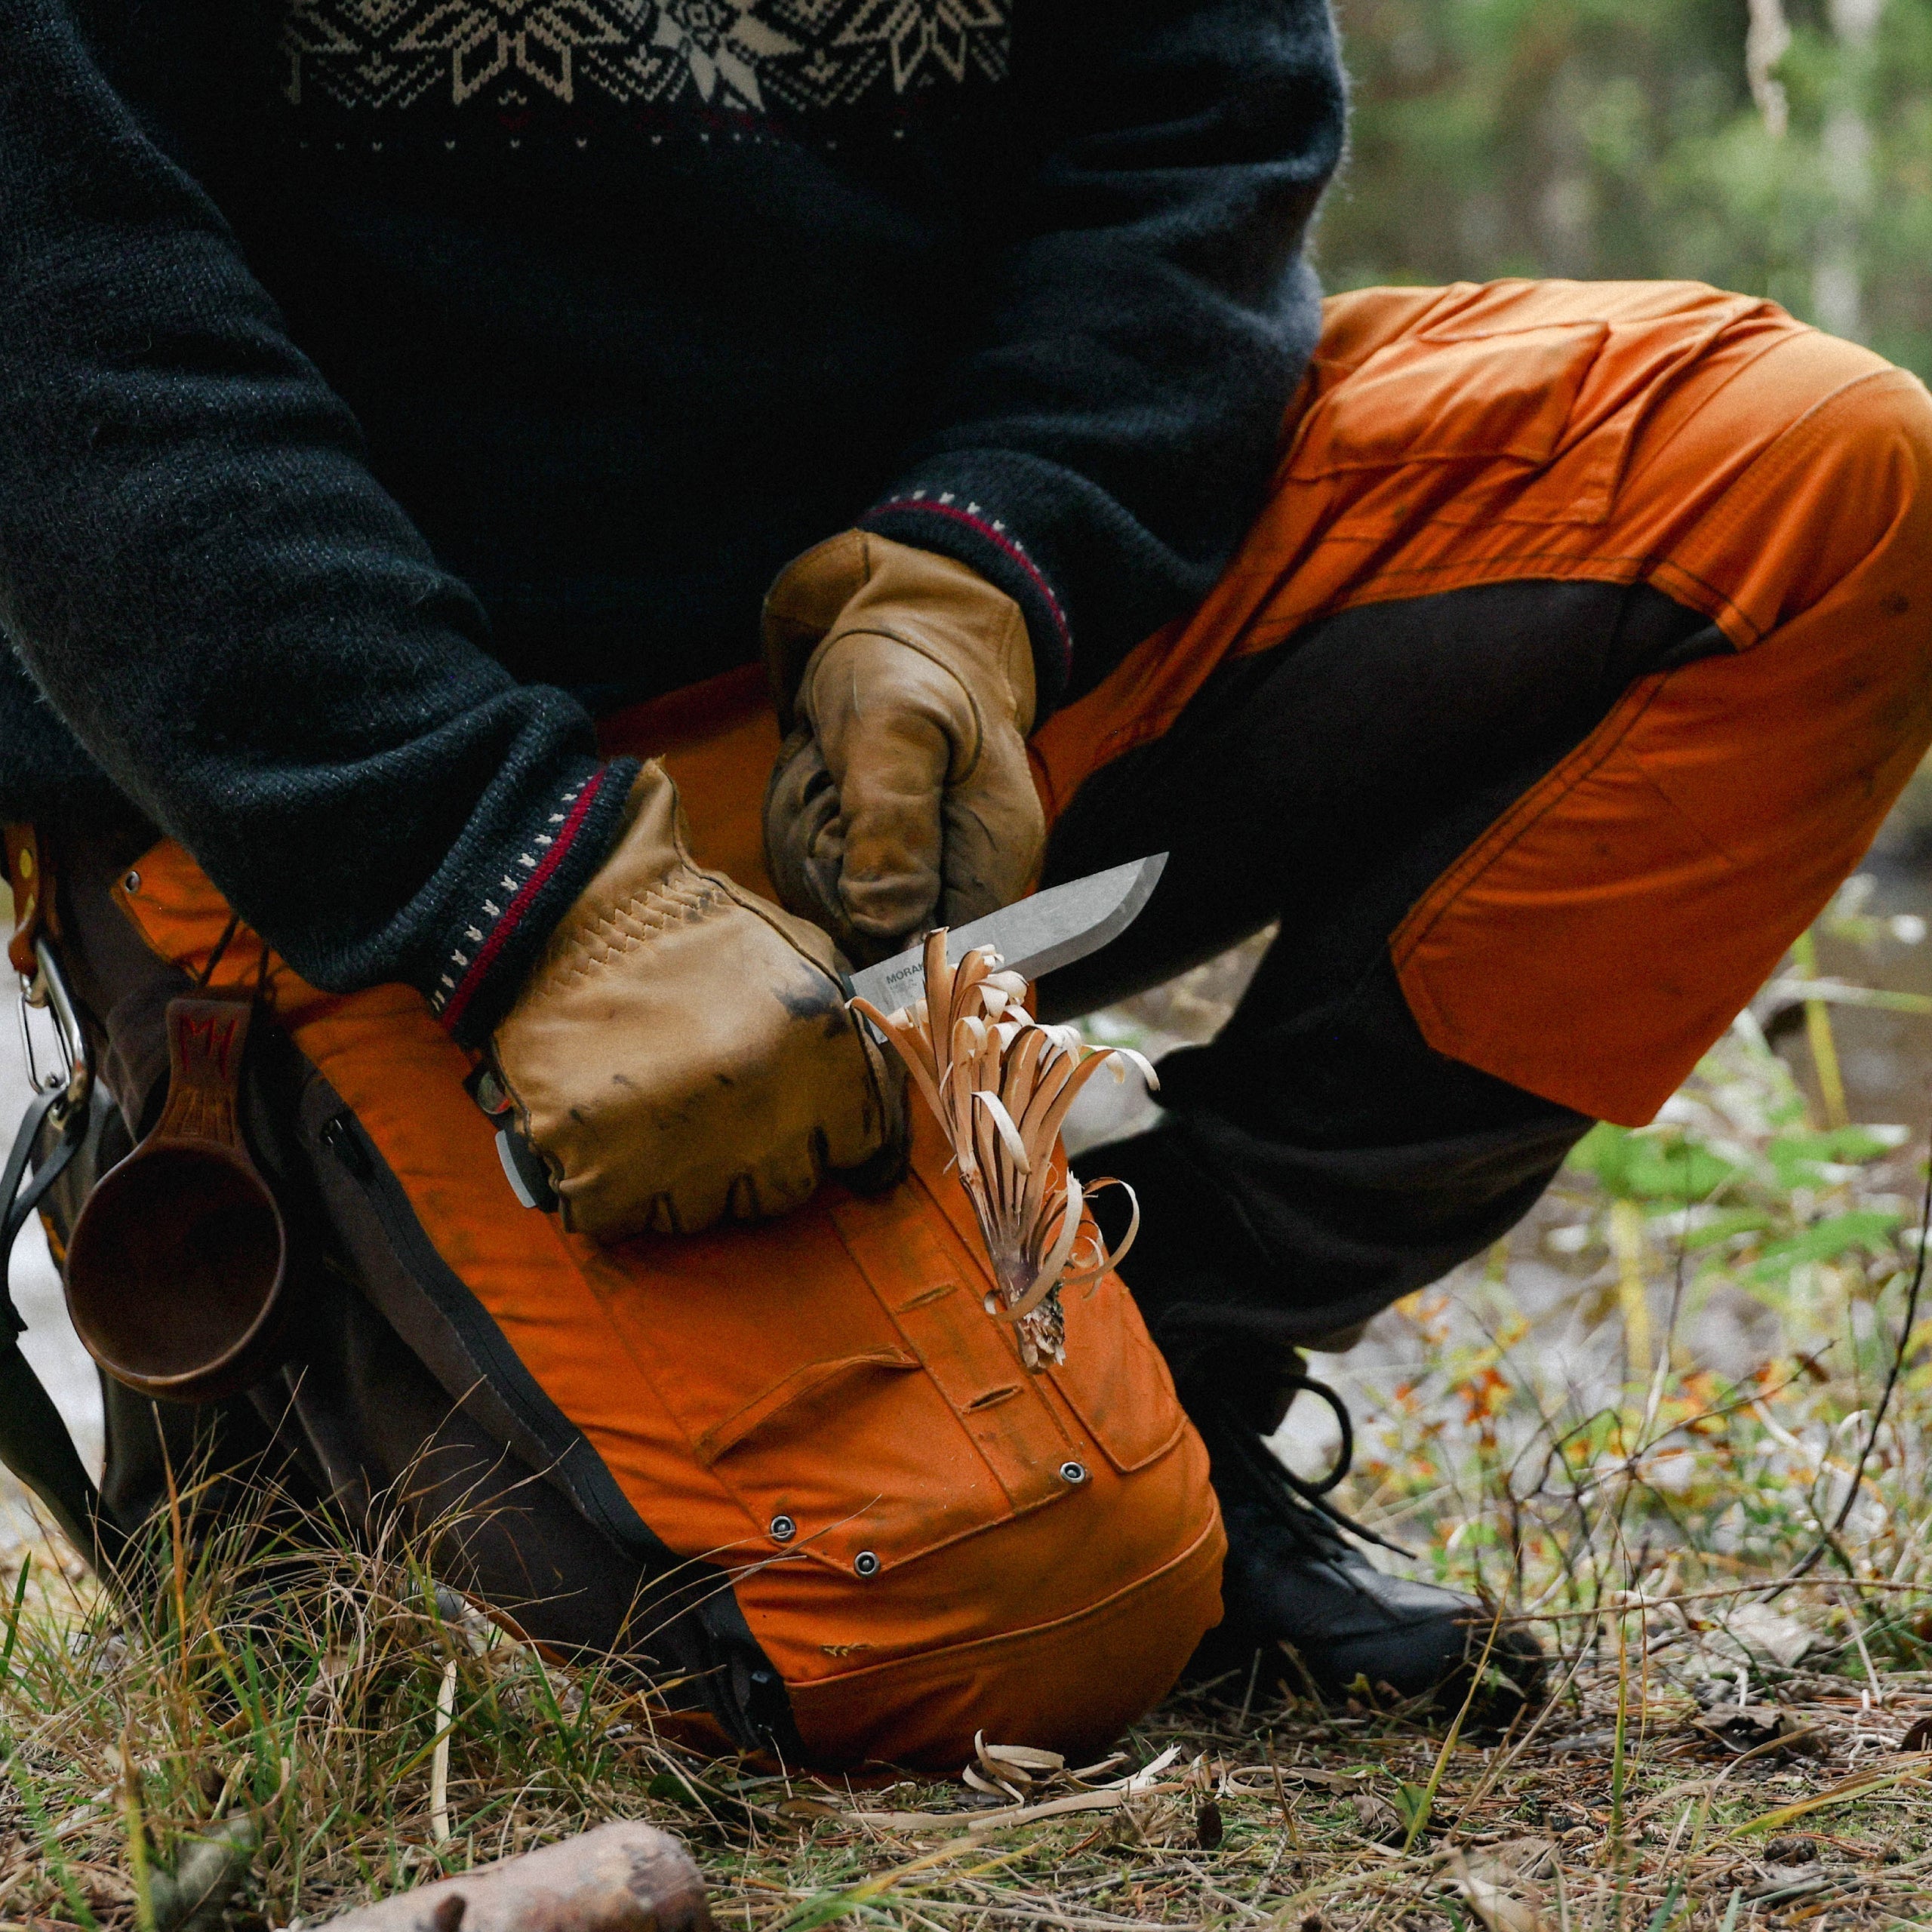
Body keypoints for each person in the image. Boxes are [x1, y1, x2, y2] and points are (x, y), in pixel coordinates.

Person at [3, 0, 1930, 1767]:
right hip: (332, 758)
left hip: (922, 643)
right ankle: (396, 1379)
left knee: (1811, 492)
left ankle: (1164, 1344)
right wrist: (491, 871)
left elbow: (1200, 115)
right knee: (994, 1623)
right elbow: (60, 308)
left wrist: (988, 563)